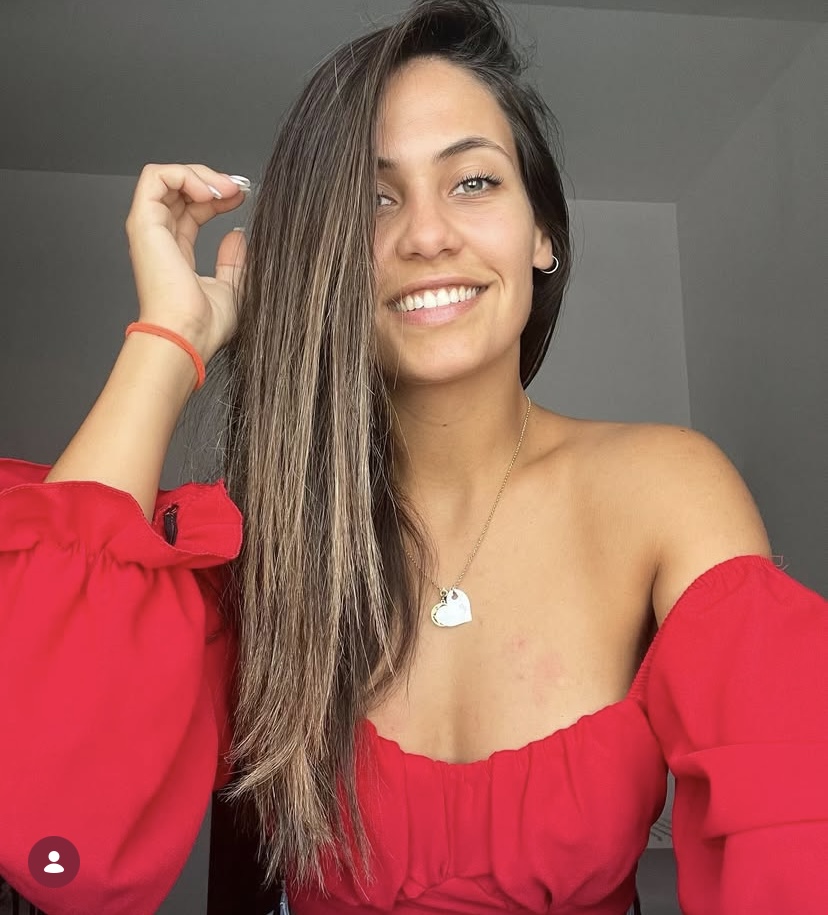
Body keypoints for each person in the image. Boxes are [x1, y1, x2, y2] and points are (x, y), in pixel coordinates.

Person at [0, 0, 825, 913]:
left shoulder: (665, 490)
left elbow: (793, 831)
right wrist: (170, 338)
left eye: (473, 181)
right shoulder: (263, 541)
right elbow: (48, 807)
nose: (426, 235)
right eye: (373, 199)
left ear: (543, 232)